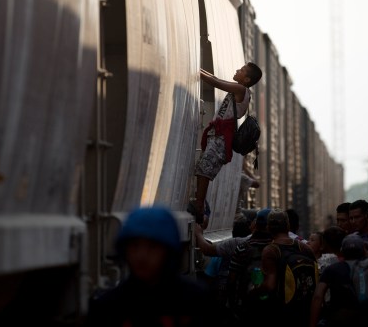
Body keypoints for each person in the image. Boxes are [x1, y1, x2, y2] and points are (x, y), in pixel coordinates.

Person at [85, 206, 215, 326]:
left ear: (169, 252)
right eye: (134, 246)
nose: (141, 256)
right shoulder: (108, 307)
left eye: (152, 247)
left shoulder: (195, 302)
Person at [189, 63, 263, 224]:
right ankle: (201, 206)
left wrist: (193, 67)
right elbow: (215, 79)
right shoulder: (239, 89)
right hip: (218, 135)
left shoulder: (241, 89)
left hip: (222, 138)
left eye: (241, 70)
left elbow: (215, 82)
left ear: (247, 79)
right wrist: (196, 67)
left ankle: (200, 205)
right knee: (203, 169)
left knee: (204, 170)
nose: (237, 70)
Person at [252, 209, 317, 324]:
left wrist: (254, 289)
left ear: (268, 228)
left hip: (283, 312)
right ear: (288, 226)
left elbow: (270, 285)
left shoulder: (270, 250)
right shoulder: (305, 247)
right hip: (306, 308)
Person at [310, 234, 368, 327]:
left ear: (342, 250)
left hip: (338, 319)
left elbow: (317, 296)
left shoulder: (331, 269)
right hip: (364, 319)